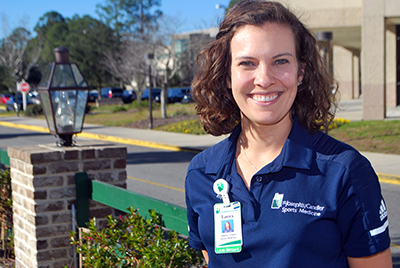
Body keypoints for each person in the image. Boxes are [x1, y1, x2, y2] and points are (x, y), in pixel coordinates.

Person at [185, 1, 392, 267]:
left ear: (301, 72)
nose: (264, 78)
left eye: (280, 61)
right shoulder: (202, 173)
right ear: (227, 76)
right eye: (247, 63)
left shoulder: (344, 172)